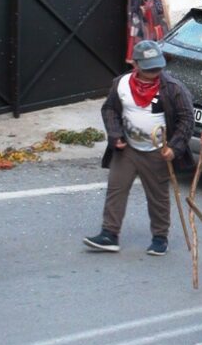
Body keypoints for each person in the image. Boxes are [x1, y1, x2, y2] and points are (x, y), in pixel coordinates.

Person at [83, 40, 194, 255]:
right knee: (116, 189)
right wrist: (115, 135)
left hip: (158, 151)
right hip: (128, 149)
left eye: (157, 66)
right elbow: (109, 110)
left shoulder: (173, 89)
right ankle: (109, 234)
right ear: (135, 64)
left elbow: (187, 120)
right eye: (149, 67)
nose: (154, 71)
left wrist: (174, 147)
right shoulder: (121, 84)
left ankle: (160, 237)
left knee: (158, 195)